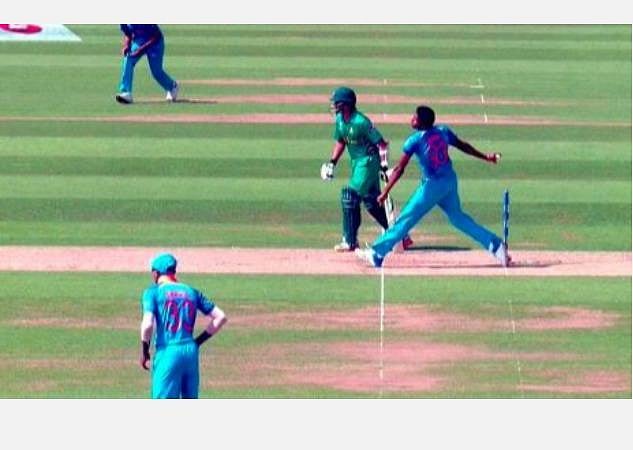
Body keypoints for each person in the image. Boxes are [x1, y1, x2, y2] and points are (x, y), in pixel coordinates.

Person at [355, 105, 511, 268]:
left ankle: (377, 253)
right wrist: (486, 157)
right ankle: (496, 246)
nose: (412, 119)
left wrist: (385, 191)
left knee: (406, 218)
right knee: (458, 218)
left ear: (421, 122)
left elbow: (400, 169)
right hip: (449, 182)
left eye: (415, 117)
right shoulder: (443, 131)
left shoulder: (414, 141)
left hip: (431, 186)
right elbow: (463, 146)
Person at [321, 86, 413, 252]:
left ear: (346, 104)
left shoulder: (361, 122)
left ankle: (350, 241)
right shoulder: (340, 120)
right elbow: (341, 141)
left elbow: (382, 144)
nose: (334, 106)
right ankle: (401, 236)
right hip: (356, 163)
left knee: (349, 196)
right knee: (372, 202)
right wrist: (332, 163)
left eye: (337, 103)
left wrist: (384, 166)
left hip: (368, 162)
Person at [139, 253, 227, 399]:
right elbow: (220, 317)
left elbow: (147, 324)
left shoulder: (153, 292)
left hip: (167, 351)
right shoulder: (191, 291)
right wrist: (197, 342)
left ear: (155, 273)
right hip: (190, 352)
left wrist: (144, 349)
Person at [115, 24, 179, 104]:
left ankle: (172, 86)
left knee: (156, 72)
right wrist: (127, 45)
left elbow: (157, 36)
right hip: (139, 41)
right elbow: (128, 33)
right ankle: (126, 92)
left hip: (155, 43)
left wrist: (140, 50)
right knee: (129, 58)